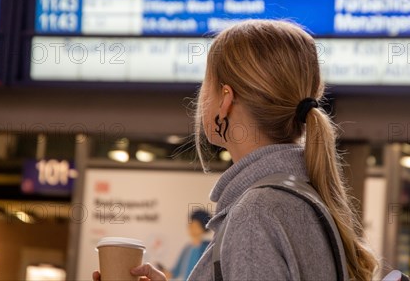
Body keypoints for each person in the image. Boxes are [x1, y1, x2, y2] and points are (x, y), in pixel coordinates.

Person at [93, 20, 378, 281]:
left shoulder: (256, 214)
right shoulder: (303, 200)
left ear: (226, 99)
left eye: (207, 84)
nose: (201, 96)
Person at [170, 210, 212, 281]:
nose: (191, 227)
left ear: (203, 227)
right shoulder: (187, 248)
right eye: (191, 225)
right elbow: (176, 272)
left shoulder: (208, 247)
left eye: (195, 225)